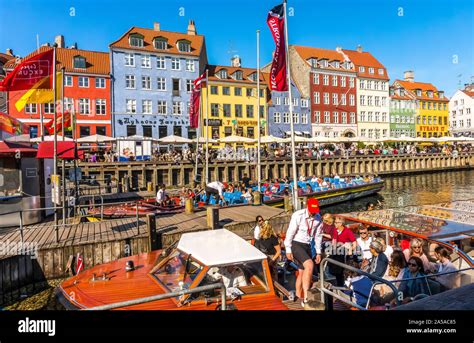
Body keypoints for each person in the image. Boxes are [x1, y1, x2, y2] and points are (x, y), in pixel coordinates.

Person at [284, 198, 323, 307]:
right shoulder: (298, 215)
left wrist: (319, 252)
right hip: (296, 244)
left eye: (315, 210)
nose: (313, 212)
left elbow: (318, 236)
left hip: (307, 245)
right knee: (309, 265)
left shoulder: (318, 218)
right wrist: (288, 249)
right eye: (311, 210)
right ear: (307, 206)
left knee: (302, 272)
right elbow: (290, 232)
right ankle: (306, 298)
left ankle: (297, 296)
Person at [331, 217, 357, 286]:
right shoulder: (335, 230)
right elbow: (334, 242)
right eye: (334, 222)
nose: (334, 224)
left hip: (346, 254)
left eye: (336, 222)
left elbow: (354, 242)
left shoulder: (347, 231)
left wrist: (351, 250)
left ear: (341, 223)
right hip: (338, 253)